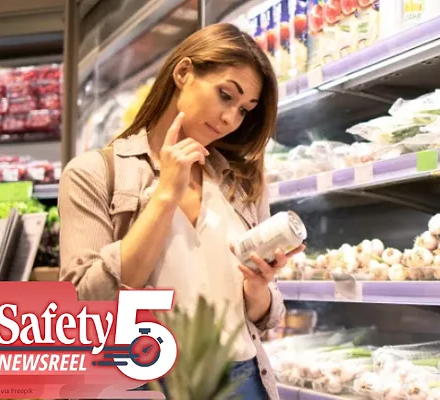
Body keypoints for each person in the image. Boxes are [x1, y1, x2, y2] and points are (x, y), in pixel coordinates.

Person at [58, 22, 304, 400]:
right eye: (226, 95)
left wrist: (259, 290)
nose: (230, 119)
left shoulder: (239, 180)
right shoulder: (94, 172)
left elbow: (265, 314)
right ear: (184, 72)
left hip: (242, 379)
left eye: (243, 110)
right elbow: (84, 303)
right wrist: (163, 197)